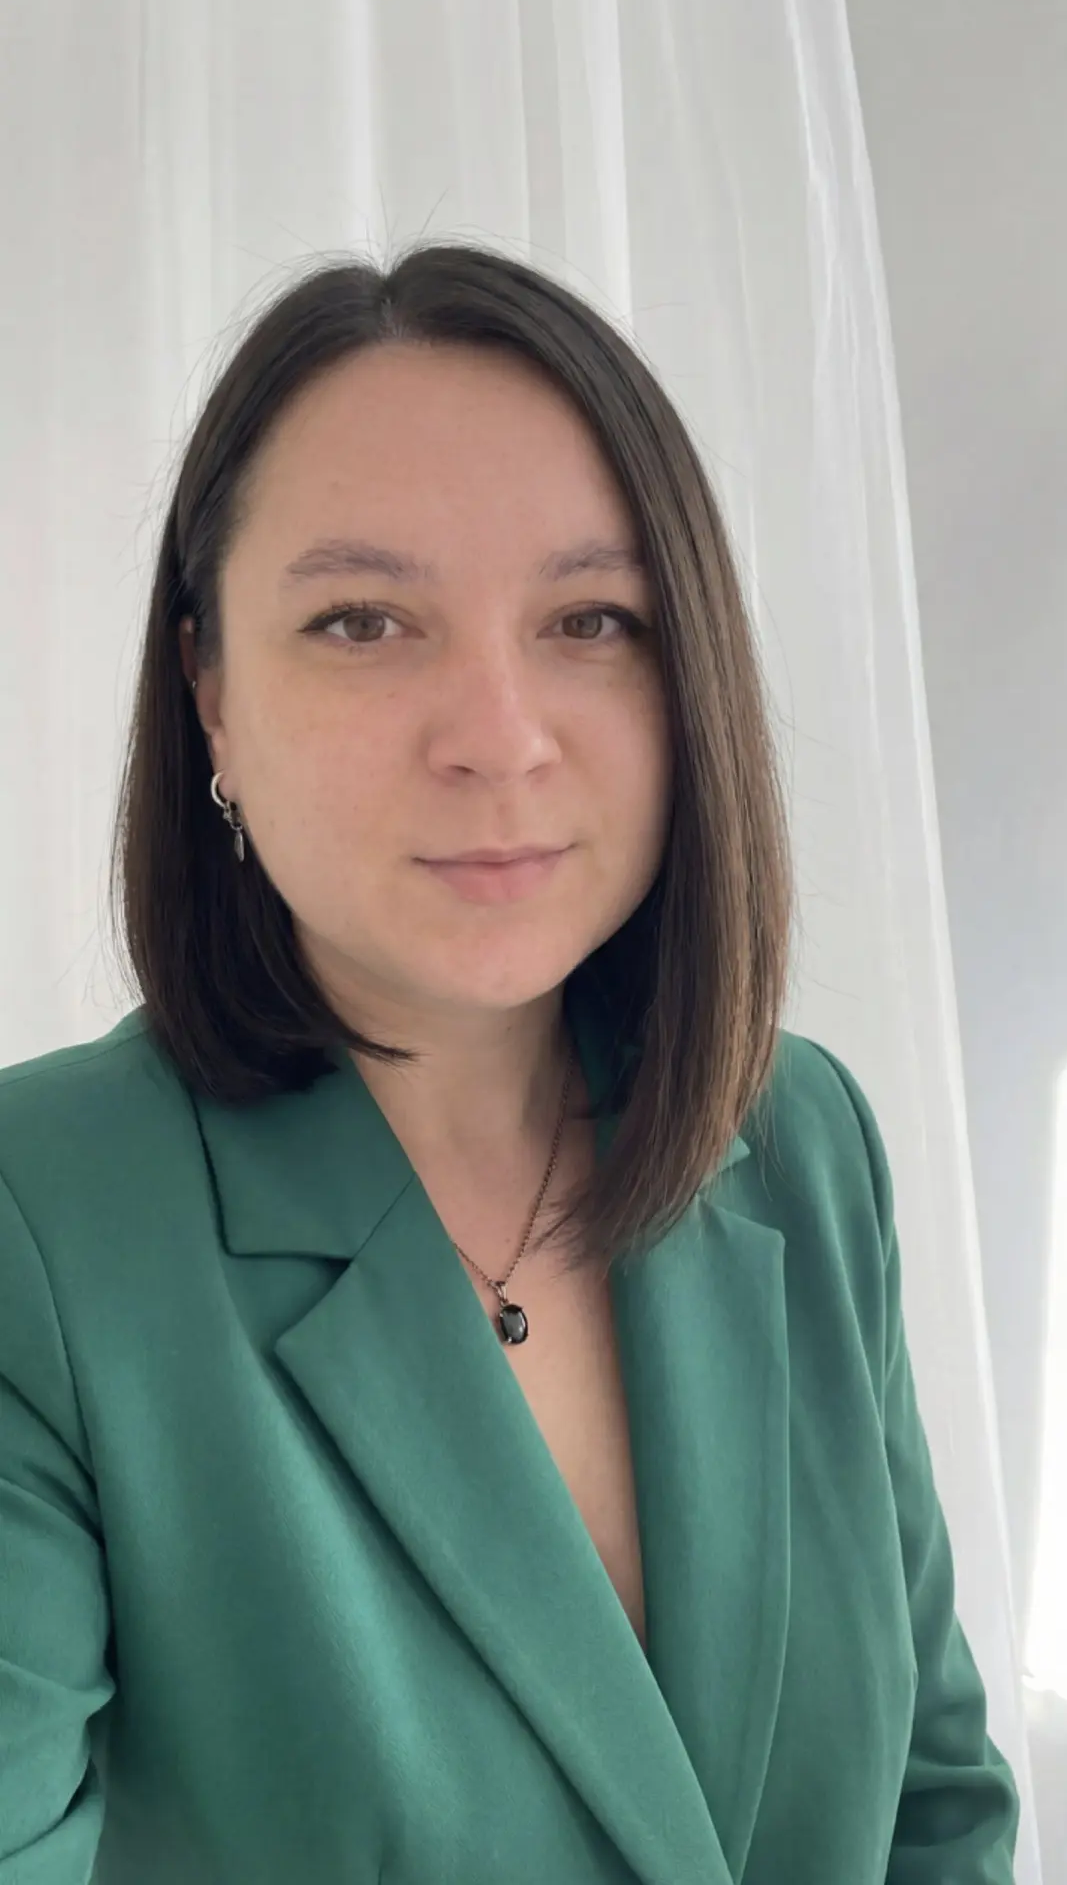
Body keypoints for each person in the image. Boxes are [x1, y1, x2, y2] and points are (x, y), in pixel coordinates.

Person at [0, 242, 1019, 1885]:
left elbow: (935, 1811)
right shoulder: (40, 1224)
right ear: (209, 694)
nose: (497, 735)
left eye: (590, 620)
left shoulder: (799, 1136)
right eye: (361, 621)